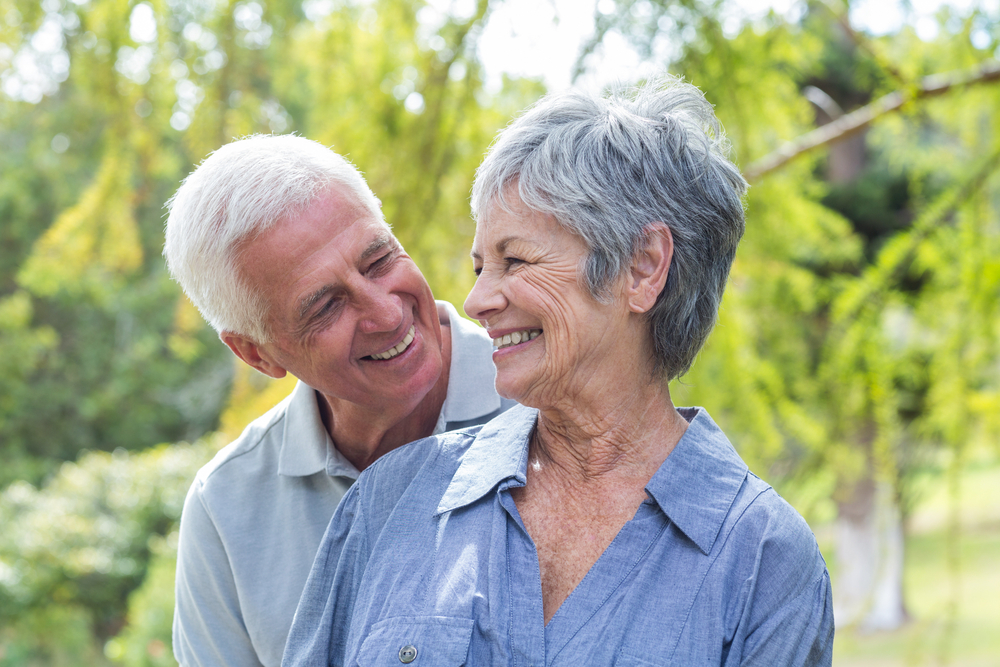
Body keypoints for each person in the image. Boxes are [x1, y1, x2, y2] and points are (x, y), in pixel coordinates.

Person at [283, 77, 834, 666]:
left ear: (642, 268)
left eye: (514, 260)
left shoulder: (763, 560)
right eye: (479, 267)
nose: (476, 301)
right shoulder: (389, 501)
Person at [163, 134, 515, 667]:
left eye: (378, 260)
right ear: (256, 354)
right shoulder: (227, 508)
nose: (388, 314)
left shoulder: (556, 407)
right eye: (325, 306)